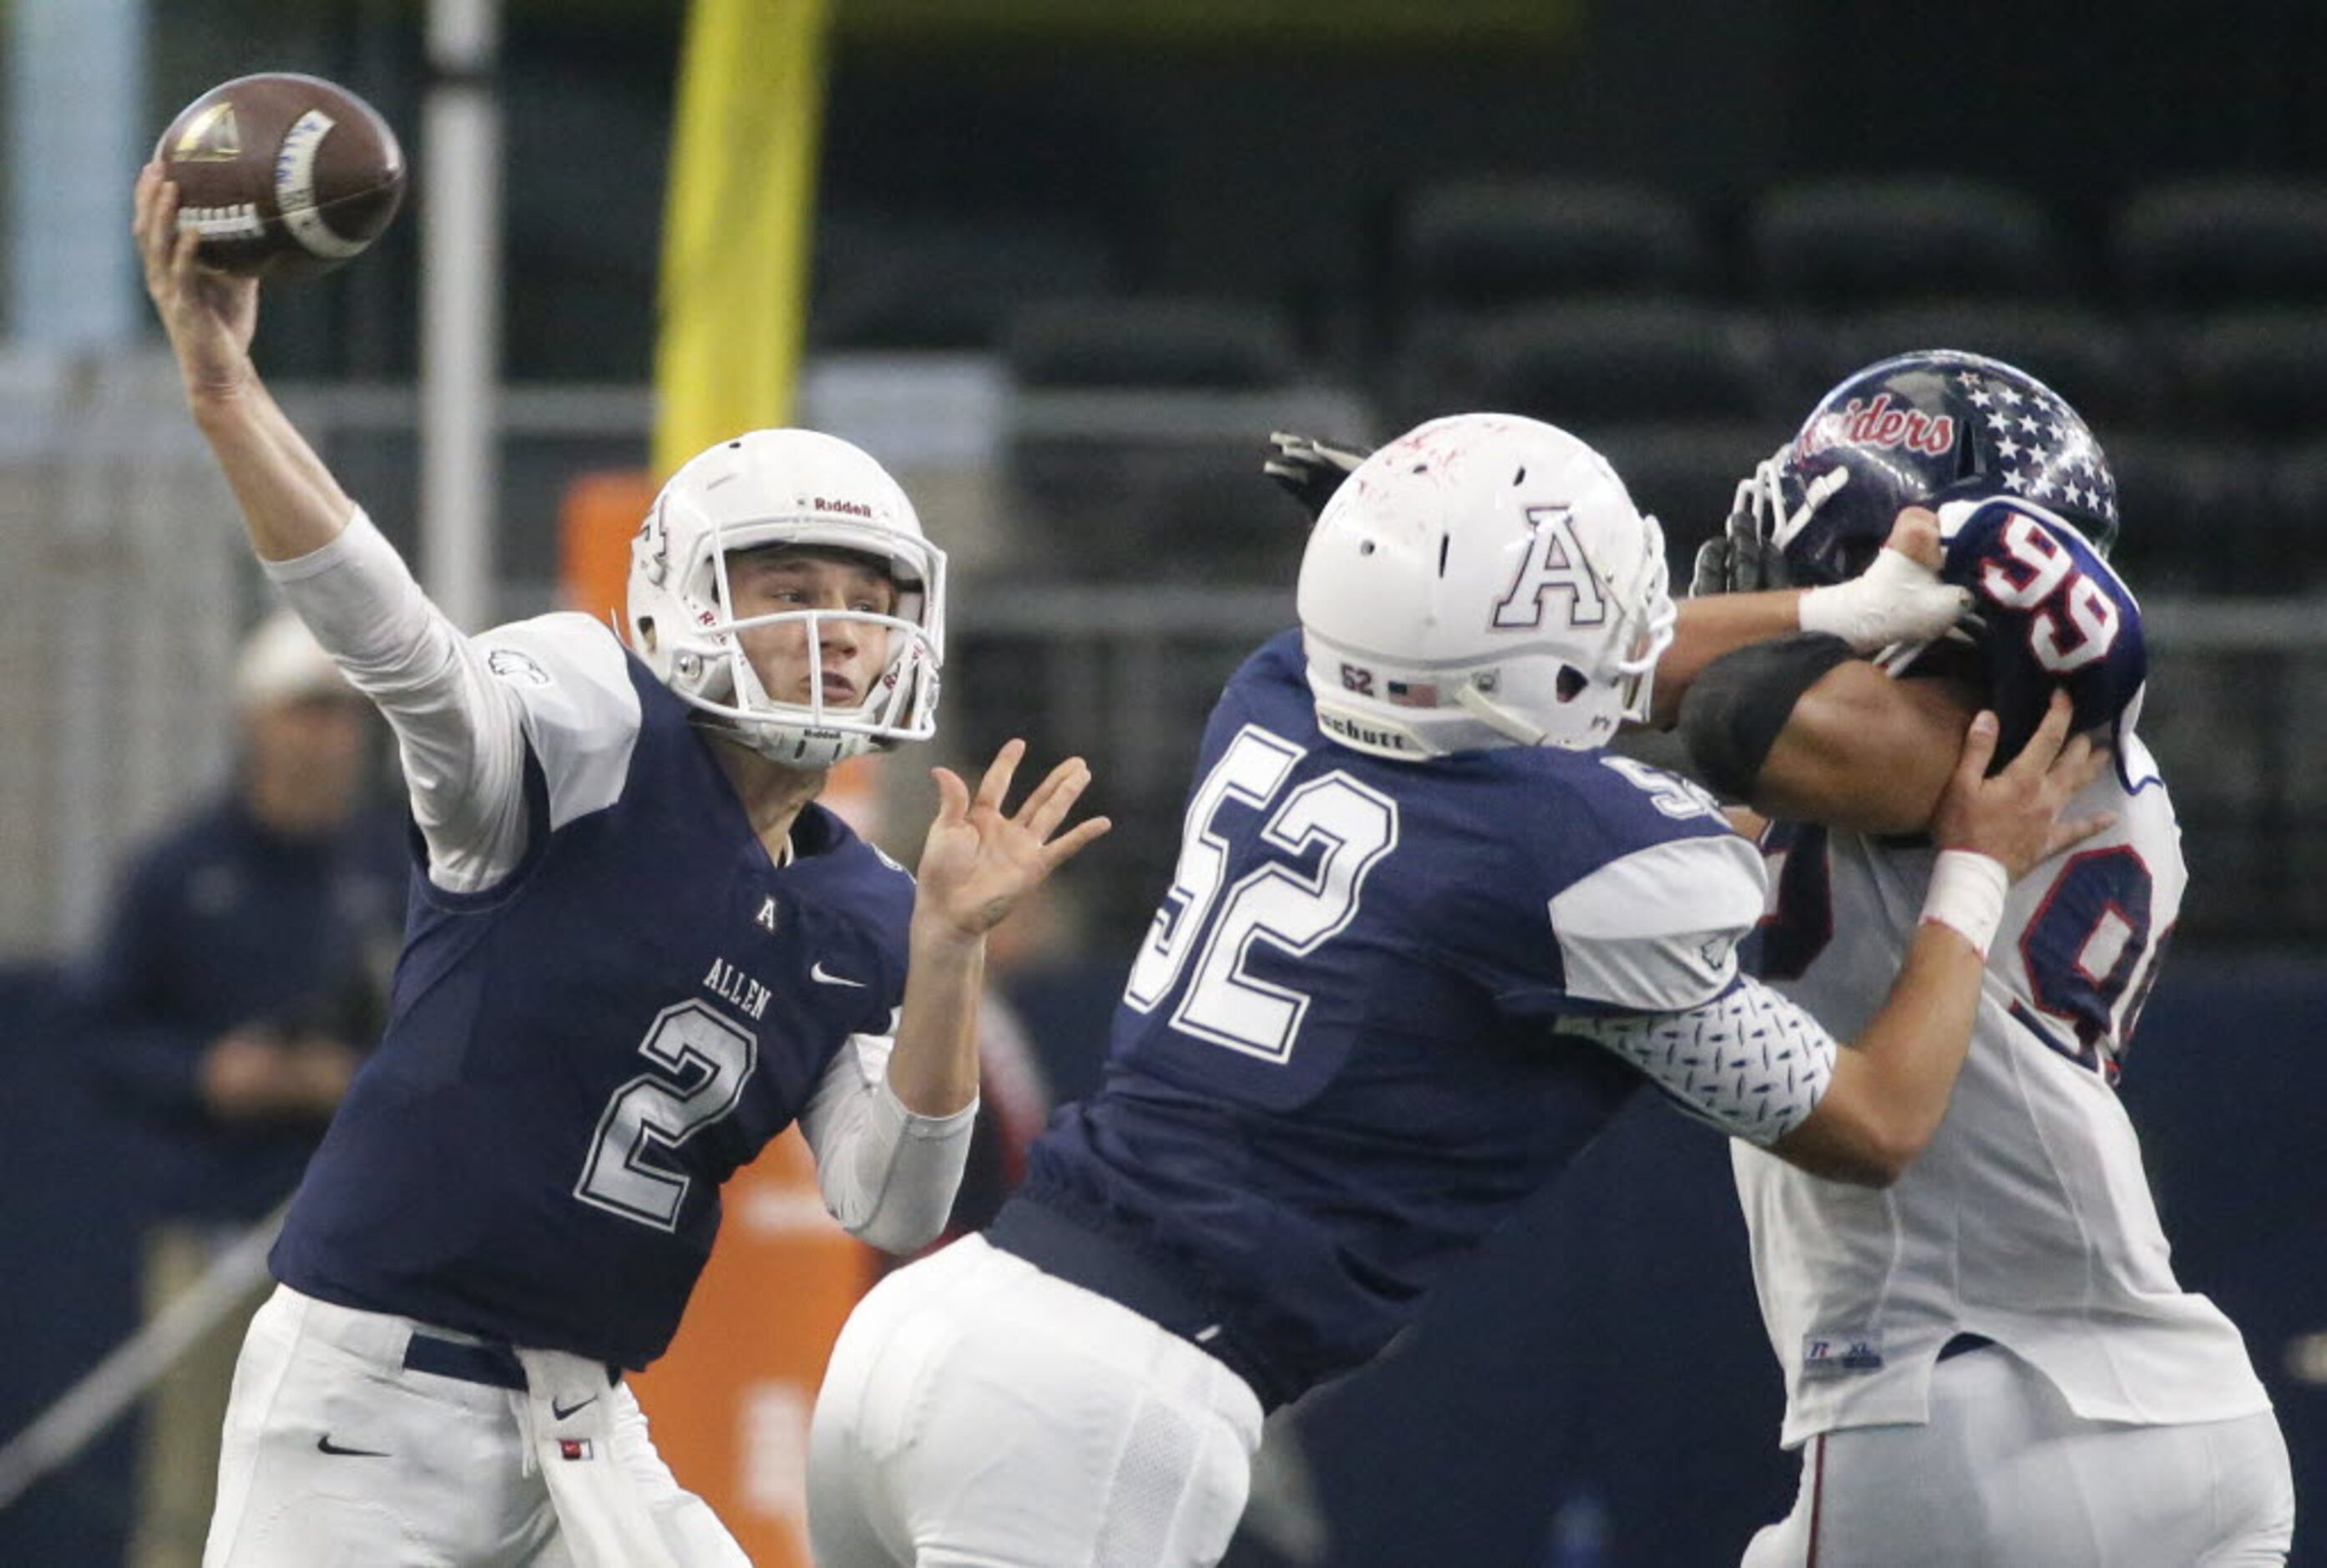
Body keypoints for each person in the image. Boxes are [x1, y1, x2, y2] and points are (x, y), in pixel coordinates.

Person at [804, 409, 2109, 1567]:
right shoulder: (1584, 864)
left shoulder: (1277, 691)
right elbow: (1876, 1122)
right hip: (1106, 1400)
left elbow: (1551, 668)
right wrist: (1970, 872)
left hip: (929, 1325)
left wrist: (1828, 614)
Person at [136, 162, 1109, 1568]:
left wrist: (950, 952)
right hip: (370, 1401)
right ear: (683, 594)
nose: (835, 632)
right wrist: (230, 400)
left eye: (865, 600)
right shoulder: (592, 724)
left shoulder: (870, 903)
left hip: (587, 1416)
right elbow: (401, 649)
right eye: (789, 592)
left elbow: (891, 1197)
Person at [1666, 349, 2296, 1565]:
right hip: (2180, 1419)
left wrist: (1540, 635)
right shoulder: (2093, 775)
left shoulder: (1944, 746)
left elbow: (1727, 716)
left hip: (1944, 1392)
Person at [70, 608, 405, 1568]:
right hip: (216, 1231)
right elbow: (99, 1036)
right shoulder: (181, 872)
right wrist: (212, 1076)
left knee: (361, 1490)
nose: (328, 737)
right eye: (306, 712)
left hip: (361, 1243)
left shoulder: (389, 869)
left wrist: (350, 1083)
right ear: (255, 721)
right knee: (195, 1490)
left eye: (344, 714)